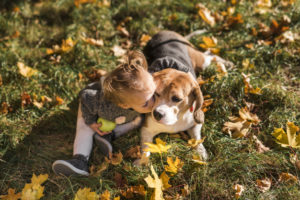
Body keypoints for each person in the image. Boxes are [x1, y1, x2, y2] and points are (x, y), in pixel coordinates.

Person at [52, 51, 156, 176]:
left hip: (121, 116)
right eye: (145, 103)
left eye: (154, 95)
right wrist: (91, 122)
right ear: (125, 105)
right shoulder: (102, 105)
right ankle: (80, 160)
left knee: (137, 121)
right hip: (91, 107)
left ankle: (107, 135)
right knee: (84, 127)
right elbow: (85, 98)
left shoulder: (144, 90)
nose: (153, 102)